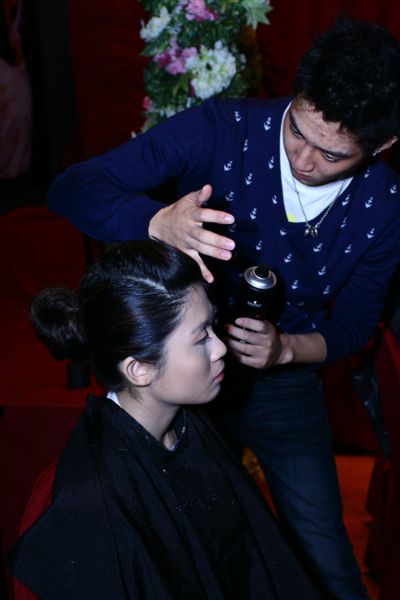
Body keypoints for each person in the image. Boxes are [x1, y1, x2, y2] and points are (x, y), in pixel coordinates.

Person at [46, 18, 400, 598]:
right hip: (183, 375)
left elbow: (355, 326)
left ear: (381, 146)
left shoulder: (383, 206)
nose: (302, 159)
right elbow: (72, 187)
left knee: (325, 557)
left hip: (284, 385)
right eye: (296, 130)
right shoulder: (224, 128)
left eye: (332, 154)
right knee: (191, 555)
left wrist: (286, 349)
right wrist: (155, 221)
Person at [8, 240, 320, 600]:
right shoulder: (95, 502)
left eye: (213, 326)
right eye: (201, 339)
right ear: (139, 369)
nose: (220, 348)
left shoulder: (189, 427)